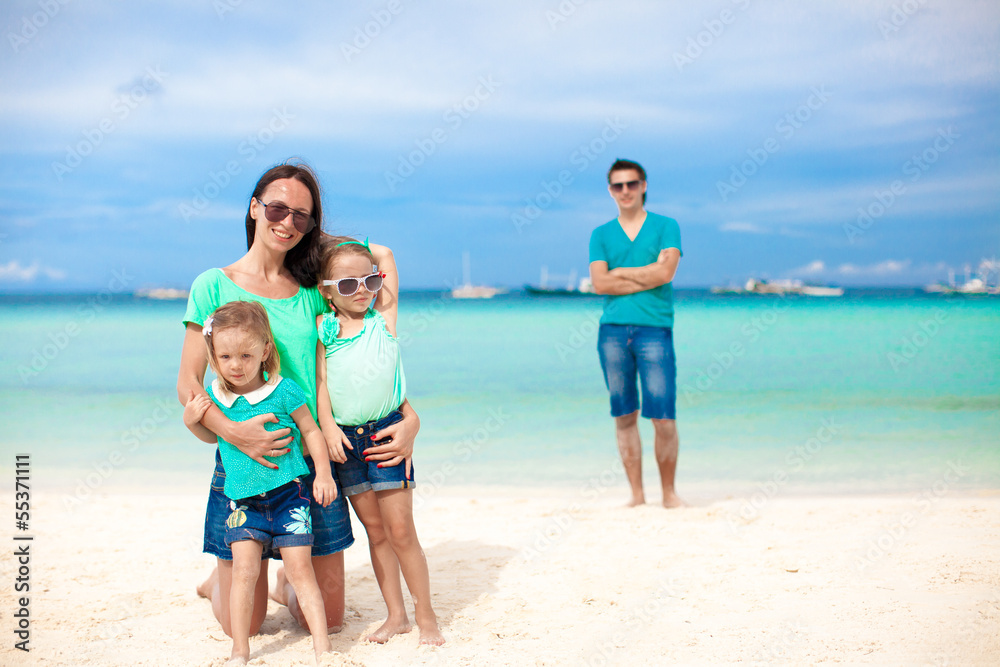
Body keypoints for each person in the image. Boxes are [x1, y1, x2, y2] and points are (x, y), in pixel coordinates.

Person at [177, 161, 421, 639]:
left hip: (312, 462)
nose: (286, 222)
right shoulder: (212, 284)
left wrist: (411, 418)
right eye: (277, 208)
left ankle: (286, 575)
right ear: (254, 208)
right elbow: (189, 382)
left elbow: (362, 366)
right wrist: (234, 433)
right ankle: (217, 582)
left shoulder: (314, 289)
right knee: (240, 626)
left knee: (324, 621)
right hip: (242, 461)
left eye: (301, 216)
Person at [182, 301, 336, 665]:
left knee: (301, 570)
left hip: (290, 498)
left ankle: (323, 649)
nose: (236, 365)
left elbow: (311, 430)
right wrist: (192, 422)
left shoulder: (285, 391)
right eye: (225, 356)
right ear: (213, 355)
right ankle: (239, 651)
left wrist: (325, 473)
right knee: (245, 573)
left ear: (265, 351)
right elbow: (213, 439)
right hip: (243, 504)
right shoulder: (215, 398)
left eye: (246, 355)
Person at [316, 237, 445, 646]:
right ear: (327, 291)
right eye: (348, 285)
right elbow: (321, 384)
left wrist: (325, 237)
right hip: (347, 443)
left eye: (369, 281)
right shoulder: (325, 329)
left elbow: (386, 253)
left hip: (387, 433)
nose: (363, 292)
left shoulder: (383, 320)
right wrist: (328, 428)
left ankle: (427, 616)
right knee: (376, 531)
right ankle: (397, 615)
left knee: (401, 530)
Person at [588, 159, 685, 508]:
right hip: (612, 333)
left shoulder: (666, 226)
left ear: (644, 185)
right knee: (624, 415)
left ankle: (669, 495)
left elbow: (667, 273)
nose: (625, 191)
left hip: (655, 329)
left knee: (663, 416)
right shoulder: (601, 234)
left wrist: (621, 276)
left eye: (631, 184)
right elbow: (600, 283)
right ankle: (637, 496)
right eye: (618, 186)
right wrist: (648, 271)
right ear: (611, 190)